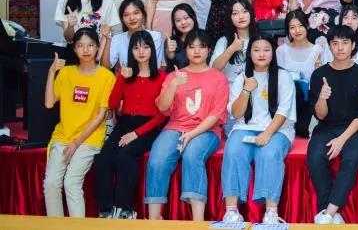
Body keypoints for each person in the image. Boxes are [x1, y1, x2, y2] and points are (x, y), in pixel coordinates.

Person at [145, 29, 229, 221]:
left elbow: (216, 115)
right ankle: (153, 220)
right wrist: (174, 84)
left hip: (206, 130)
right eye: (192, 47)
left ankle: (197, 222)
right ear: (185, 50)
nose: (197, 51)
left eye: (202, 46)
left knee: (192, 155)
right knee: (157, 160)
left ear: (209, 50)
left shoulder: (218, 77)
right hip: (175, 127)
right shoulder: (175, 75)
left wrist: (192, 134)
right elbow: (162, 108)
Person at [221, 36, 296, 224]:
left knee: (269, 153)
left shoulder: (284, 77)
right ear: (249, 54)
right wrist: (246, 90)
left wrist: (267, 133)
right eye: (256, 50)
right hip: (245, 127)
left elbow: (283, 111)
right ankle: (231, 211)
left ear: (273, 53)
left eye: (266, 50)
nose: (261, 54)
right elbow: (236, 113)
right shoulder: (242, 78)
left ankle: (271, 212)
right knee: (233, 151)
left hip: (278, 129)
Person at [94, 31, 168, 219]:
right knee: (103, 158)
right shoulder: (126, 74)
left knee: (126, 155)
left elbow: (162, 115)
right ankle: (106, 210)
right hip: (124, 123)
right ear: (130, 51)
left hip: (148, 127)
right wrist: (120, 78)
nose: (141, 51)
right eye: (136, 48)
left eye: (145, 47)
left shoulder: (161, 76)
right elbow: (112, 105)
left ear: (152, 50)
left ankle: (125, 209)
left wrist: (137, 133)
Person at [43, 28, 115, 217]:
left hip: (89, 139)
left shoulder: (106, 76)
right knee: (51, 183)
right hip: (63, 137)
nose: (86, 50)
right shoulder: (66, 73)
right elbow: (49, 103)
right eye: (81, 45)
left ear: (97, 47)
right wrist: (51, 72)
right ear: (74, 49)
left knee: (71, 182)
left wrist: (76, 143)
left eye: (90, 45)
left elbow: (101, 116)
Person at [307, 25, 358, 224]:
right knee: (315, 156)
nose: (340, 48)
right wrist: (322, 98)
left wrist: (342, 139)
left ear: (353, 45)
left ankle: (328, 212)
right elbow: (320, 115)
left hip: (354, 129)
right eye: (335, 43)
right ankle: (328, 213)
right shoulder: (319, 75)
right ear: (329, 46)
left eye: (345, 43)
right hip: (326, 127)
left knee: (352, 158)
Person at [211, 0, 257, 134]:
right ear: (230, 18)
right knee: (235, 133)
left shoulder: (260, 39)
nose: (241, 16)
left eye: (244, 11)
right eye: (235, 13)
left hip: (257, 95)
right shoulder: (224, 42)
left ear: (251, 13)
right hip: (231, 98)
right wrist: (231, 49)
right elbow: (213, 70)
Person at [276, 10, 324, 107]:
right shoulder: (281, 51)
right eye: (292, 27)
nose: (297, 30)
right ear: (288, 30)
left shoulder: (318, 50)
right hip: (287, 102)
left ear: (307, 26)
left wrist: (319, 71)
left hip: (312, 102)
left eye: (301, 25)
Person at [102, 0, 164, 70]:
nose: (131, 18)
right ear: (122, 19)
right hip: (125, 76)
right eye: (126, 15)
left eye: (136, 13)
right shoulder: (117, 39)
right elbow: (106, 67)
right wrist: (108, 40)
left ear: (143, 15)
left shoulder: (155, 36)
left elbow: (155, 65)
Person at [322, 5, 358, 70]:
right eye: (346, 18)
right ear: (341, 21)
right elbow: (327, 66)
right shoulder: (333, 42)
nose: (349, 22)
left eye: (354, 18)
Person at [164, 3, 198, 71]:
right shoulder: (171, 41)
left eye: (186, 18)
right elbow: (170, 69)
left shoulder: (203, 37)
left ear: (193, 17)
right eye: (178, 20)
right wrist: (170, 54)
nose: (183, 22)